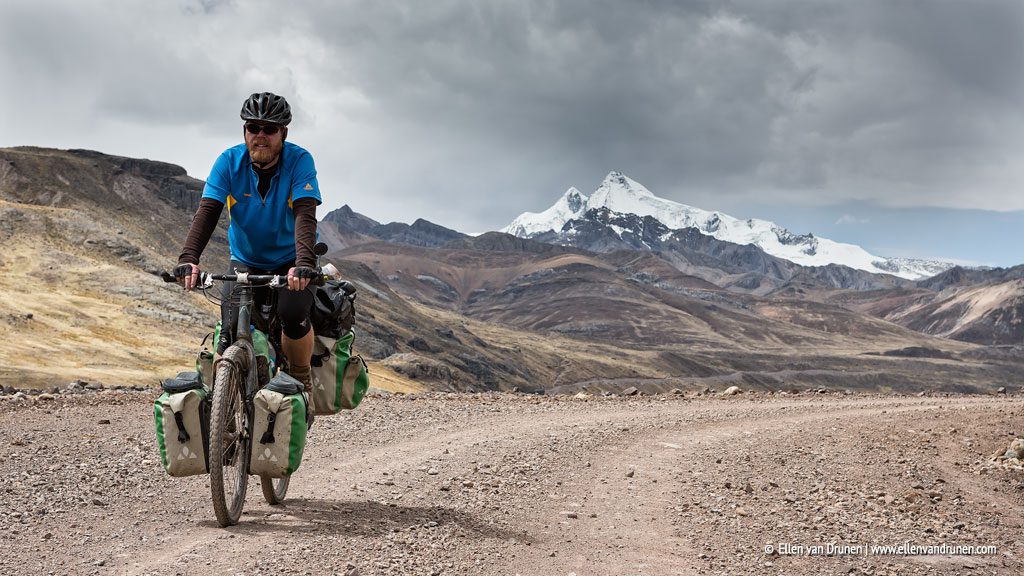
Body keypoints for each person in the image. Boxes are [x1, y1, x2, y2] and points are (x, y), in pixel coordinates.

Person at [174, 92, 321, 391]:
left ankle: (301, 376)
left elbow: (306, 213)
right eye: (254, 128)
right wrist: (188, 258)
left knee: (293, 316)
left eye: (270, 129)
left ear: (284, 133)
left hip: (291, 260)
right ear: (245, 131)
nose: (261, 136)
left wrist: (304, 264)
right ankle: (224, 405)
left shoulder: (299, 160)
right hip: (245, 261)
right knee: (228, 331)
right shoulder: (228, 162)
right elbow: (207, 212)